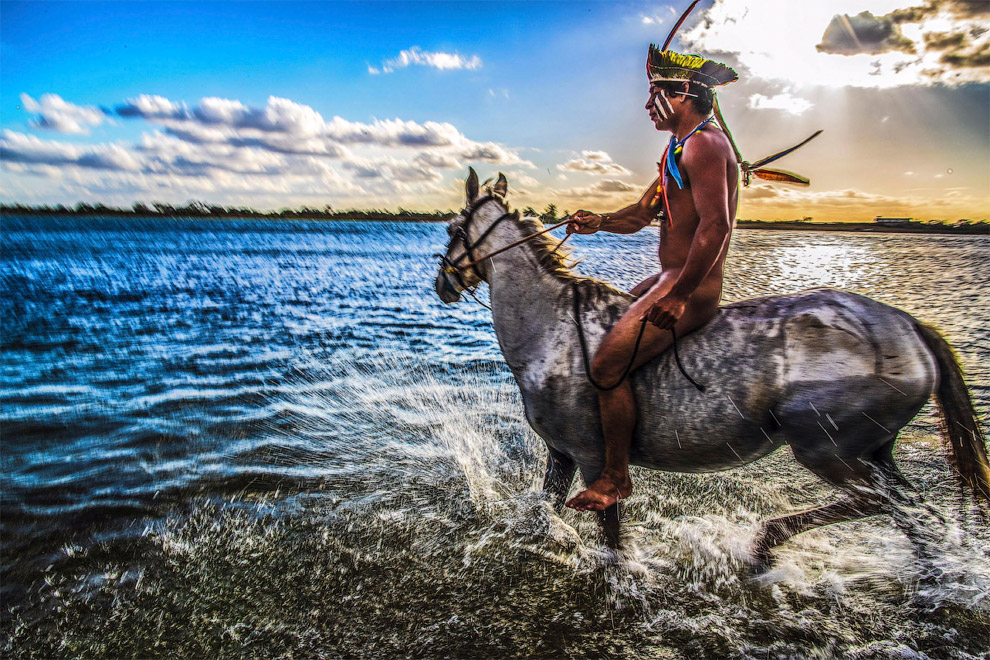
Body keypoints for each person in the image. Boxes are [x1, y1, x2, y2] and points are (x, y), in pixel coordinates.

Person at [564, 47, 740, 512]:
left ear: (681, 93)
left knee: (605, 368)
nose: (647, 106)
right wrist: (599, 221)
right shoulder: (677, 150)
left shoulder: (706, 144)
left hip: (690, 285)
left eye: (654, 95)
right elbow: (641, 215)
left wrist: (681, 295)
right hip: (669, 276)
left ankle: (615, 477)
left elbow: (716, 226)